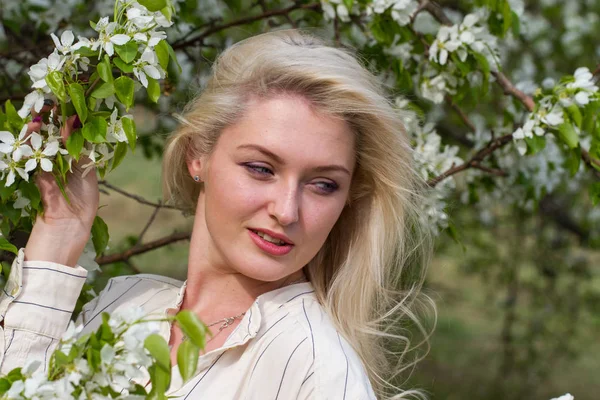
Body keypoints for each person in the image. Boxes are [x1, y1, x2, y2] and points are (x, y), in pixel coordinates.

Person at [0, 29, 432, 399]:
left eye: (323, 184)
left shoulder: (318, 372)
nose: (286, 211)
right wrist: (61, 230)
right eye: (261, 169)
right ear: (197, 155)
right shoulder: (122, 303)